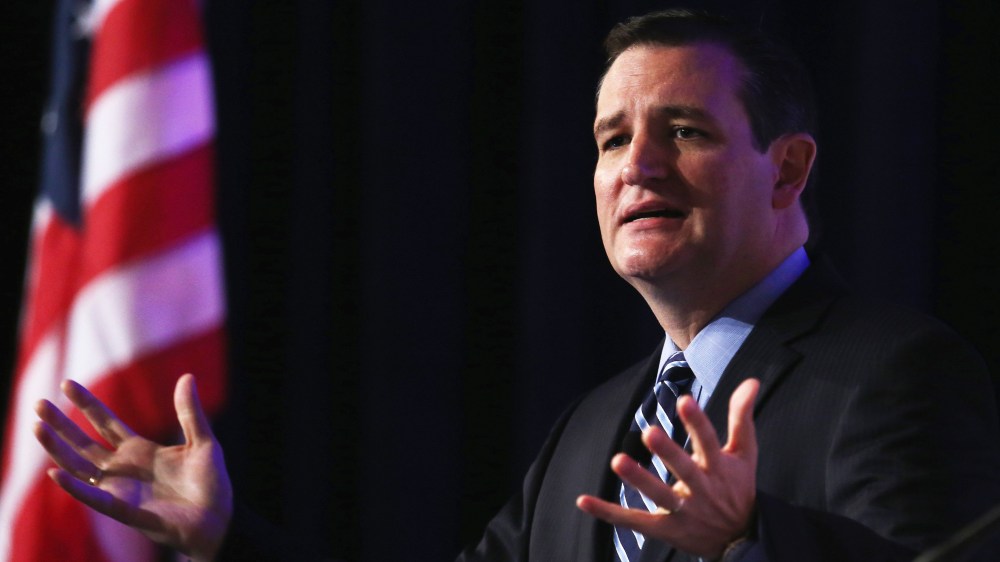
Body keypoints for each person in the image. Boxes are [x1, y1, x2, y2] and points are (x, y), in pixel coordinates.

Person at [32, 9, 1000, 562]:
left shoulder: (895, 377)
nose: (637, 166)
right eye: (611, 138)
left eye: (686, 132)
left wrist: (751, 542)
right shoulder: (588, 433)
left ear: (786, 171)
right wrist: (227, 536)